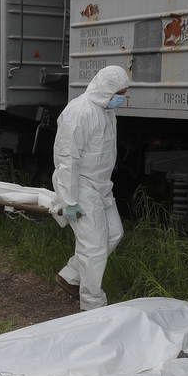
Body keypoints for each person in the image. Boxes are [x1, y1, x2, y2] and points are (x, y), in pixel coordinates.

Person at [53, 65, 129, 310]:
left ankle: (71, 275)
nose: (123, 97)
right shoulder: (79, 111)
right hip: (81, 187)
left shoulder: (106, 110)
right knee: (94, 247)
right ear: (107, 89)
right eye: (121, 92)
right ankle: (92, 304)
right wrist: (69, 200)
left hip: (102, 187)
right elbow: (67, 159)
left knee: (114, 234)